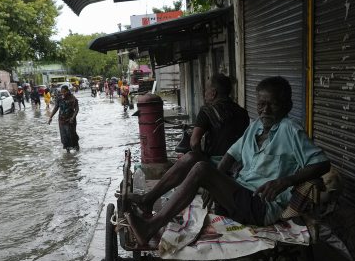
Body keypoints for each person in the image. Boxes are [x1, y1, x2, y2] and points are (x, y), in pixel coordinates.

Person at [125, 76, 330, 245]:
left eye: (272, 105)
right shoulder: (256, 126)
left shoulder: (290, 130)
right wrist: (214, 186)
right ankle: (148, 199)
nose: (265, 110)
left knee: (202, 169)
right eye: (261, 104)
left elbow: (322, 164)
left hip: (260, 206)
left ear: (286, 106)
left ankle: (151, 226)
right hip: (239, 196)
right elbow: (232, 154)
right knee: (193, 157)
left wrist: (284, 182)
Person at [189, 73, 250, 162]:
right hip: (238, 162)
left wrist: (203, 160)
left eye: (206, 90)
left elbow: (194, 143)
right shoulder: (243, 112)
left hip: (216, 163)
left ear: (213, 93)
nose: (204, 93)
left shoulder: (206, 111)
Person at [47, 84, 79, 151]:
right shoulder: (59, 99)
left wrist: (73, 118)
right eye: (62, 92)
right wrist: (50, 117)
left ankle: (76, 148)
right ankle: (68, 152)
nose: (63, 93)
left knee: (72, 135)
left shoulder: (73, 98)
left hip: (70, 120)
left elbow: (77, 109)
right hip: (61, 120)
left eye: (64, 91)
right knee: (64, 136)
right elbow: (56, 108)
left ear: (67, 91)